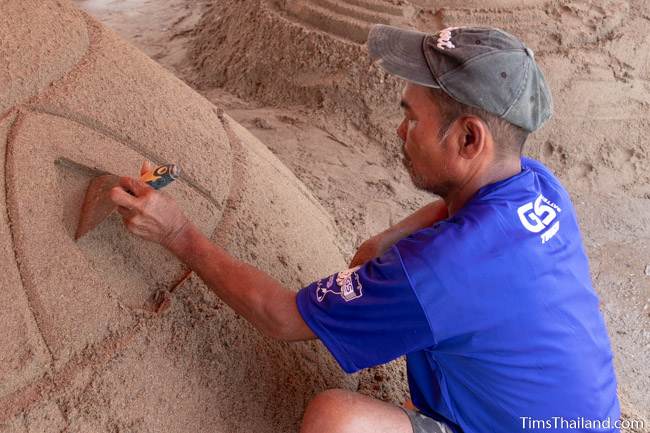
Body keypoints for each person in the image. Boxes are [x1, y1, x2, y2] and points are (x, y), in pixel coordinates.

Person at [110, 25, 621, 433]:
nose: (401, 130)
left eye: (413, 118)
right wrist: (386, 241)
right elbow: (452, 216)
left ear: (468, 138)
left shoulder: (436, 273)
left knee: (337, 420)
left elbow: (282, 318)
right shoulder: (537, 184)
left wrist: (177, 233)